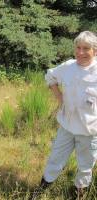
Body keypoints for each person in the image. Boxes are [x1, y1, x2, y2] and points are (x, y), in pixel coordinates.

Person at [35, 31, 97, 199]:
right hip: (67, 126)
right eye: (78, 47)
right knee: (55, 159)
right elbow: (50, 76)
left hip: (89, 131)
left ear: (95, 51)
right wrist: (59, 96)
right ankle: (40, 191)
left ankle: (79, 194)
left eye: (86, 48)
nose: (81, 52)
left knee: (85, 166)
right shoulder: (68, 66)